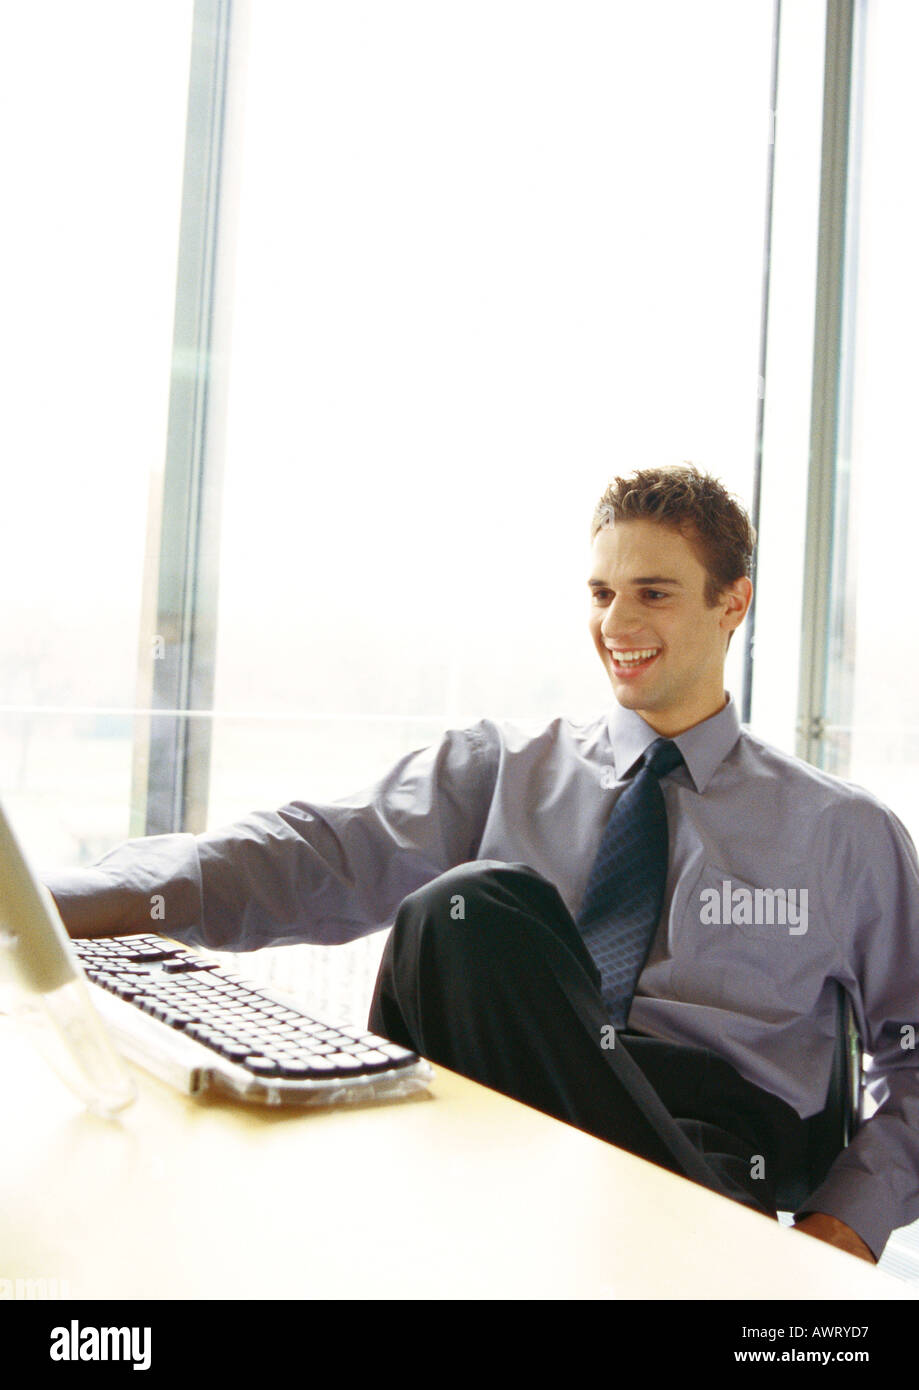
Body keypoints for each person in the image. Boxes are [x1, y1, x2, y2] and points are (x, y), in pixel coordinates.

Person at [47, 465, 919, 1265]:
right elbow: (304, 854)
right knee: (456, 918)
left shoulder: (842, 831)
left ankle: (648, 1249)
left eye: (652, 593)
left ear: (733, 604)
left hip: (697, 1157)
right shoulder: (499, 769)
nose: (616, 624)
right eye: (601, 592)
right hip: (493, 1131)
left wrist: (844, 1225)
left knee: (478, 907)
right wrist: (58, 906)